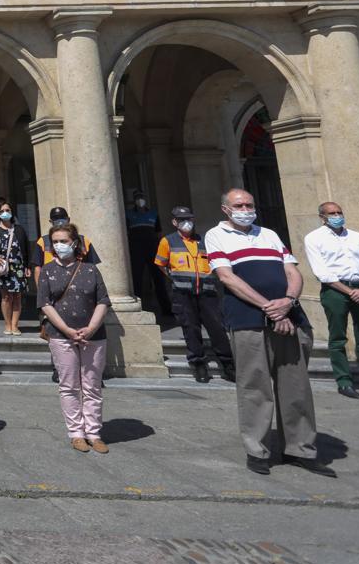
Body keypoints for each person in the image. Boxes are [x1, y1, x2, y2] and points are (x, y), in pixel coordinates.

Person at [204, 188, 334, 477]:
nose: (246, 209)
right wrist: (268, 307)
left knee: (296, 385)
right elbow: (228, 278)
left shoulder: (269, 234)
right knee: (254, 385)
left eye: (249, 204)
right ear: (226, 209)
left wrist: (287, 302)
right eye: (239, 205)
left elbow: (293, 273)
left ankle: (301, 448)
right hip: (248, 319)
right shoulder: (216, 235)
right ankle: (257, 449)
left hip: (291, 316)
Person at [37, 222, 111, 453]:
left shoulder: (90, 269)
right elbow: (45, 304)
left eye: (64, 241)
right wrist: (67, 330)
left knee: (92, 385)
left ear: (75, 243)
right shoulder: (47, 270)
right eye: (55, 242)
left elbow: (103, 300)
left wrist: (90, 327)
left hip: (93, 334)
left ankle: (94, 432)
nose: (59, 246)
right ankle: (76, 432)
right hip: (61, 334)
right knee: (69, 385)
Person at [155, 206, 234, 384]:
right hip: (183, 293)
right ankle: (198, 364)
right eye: (182, 220)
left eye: (189, 219)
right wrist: (174, 277)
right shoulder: (168, 241)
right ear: (174, 222)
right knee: (190, 328)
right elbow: (161, 263)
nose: (187, 223)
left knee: (217, 328)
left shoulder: (204, 240)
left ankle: (228, 364)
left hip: (207, 292)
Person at [303, 201, 359, 400]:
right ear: (322, 217)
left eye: (339, 212)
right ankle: (344, 381)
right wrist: (350, 292)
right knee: (338, 336)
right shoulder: (314, 238)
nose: (336, 215)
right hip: (336, 290)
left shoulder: (357, 237)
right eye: (331, 213)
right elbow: (322, 271)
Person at [0, 200, 31, 335]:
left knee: (17, 297)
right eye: (2, 211)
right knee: (6, 297)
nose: (5, 213)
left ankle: (15, 325)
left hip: (18, 267)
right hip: (2, 267)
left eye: (7, 210)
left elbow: (25, 248)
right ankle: (7, 324)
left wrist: (27, 266)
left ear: (12, 212)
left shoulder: (19, 229)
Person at [33, 207, 101, 285]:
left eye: (62, 218)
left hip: (80, 281)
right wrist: (40, 291)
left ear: (68, 219)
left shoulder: (83, 240)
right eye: (56, 219)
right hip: (53, 283)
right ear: (51, 221)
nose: (59, 221)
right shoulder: (42, 241)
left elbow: (92, 266)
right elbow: (37, 268)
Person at [126, 190, 164, 315]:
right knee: (137, 279)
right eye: (137, 197)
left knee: (159, 278)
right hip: (136, 250)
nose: (140, 200)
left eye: (141, 197)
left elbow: (159, 233)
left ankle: (166, 308)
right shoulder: (129, 214)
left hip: (152, 249)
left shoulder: (153, 213)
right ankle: (138, 307)